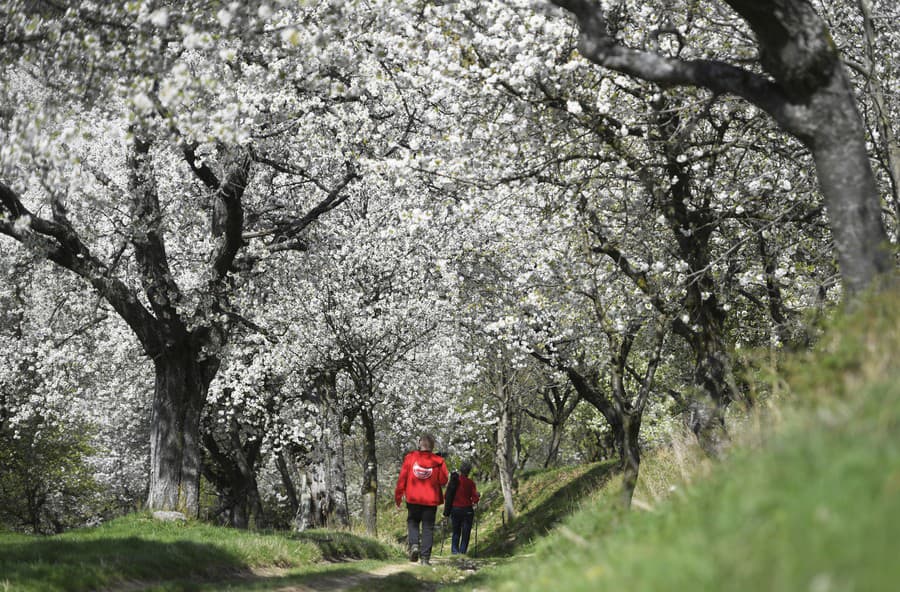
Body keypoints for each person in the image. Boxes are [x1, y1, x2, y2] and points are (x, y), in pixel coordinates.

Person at [394, 433, 449, 565]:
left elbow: (402, 478)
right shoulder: (439, 461)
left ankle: (414, 545)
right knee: (428, 528)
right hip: (430, 500)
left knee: (412, 522)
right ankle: (425, 559)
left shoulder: (410, 458)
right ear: (432, 446)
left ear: (420, 444)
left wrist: (398, 496)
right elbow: (443, 480)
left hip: (413, 498)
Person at [448, 461, 479, 555]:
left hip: (455, 509)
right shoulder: (470, 483)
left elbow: (447, 495)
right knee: (466, 532)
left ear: (460, 470)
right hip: (467, 510)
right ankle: (462, 552)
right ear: (469, 471)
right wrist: (477, 496)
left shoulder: (453, 481)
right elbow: (475, 498)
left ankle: (454, 551)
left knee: (456, 531)